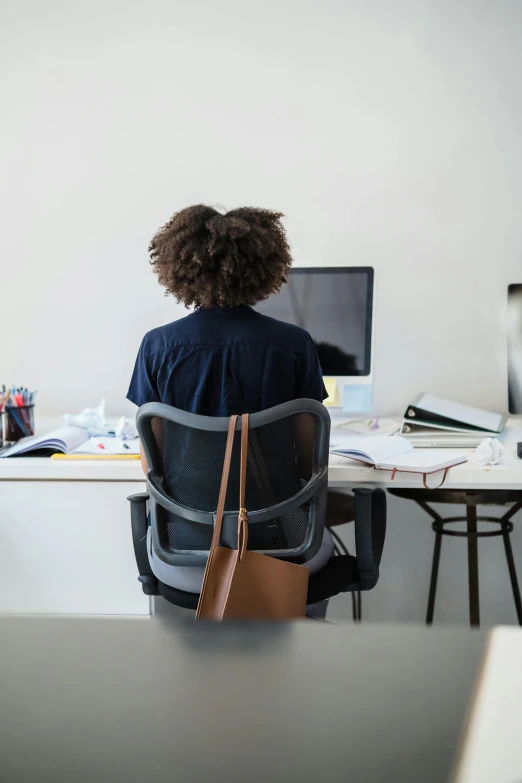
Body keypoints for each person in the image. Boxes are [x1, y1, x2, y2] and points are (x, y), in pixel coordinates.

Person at [127, 205, 353, 611]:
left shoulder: (157, 346)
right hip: (284, 547)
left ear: (180, 268)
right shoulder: (294, 344)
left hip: (184, 550)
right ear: (264, 267)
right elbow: (308, 464)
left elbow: (152, 462)